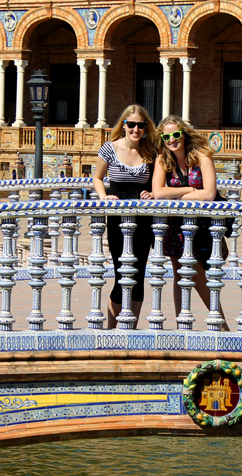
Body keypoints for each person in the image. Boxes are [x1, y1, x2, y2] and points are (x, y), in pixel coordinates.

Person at [152, 114, 228, 321]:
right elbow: (158, 192)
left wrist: (174, 193)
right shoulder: (162, 159)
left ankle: (220, 321)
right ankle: (181, 323)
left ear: (184, 134)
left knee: (197, 273)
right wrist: (191, 189)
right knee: (178, 275)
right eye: (166, 137)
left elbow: (210, 194)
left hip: (199, 226)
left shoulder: (202, 156)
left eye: (176, 135)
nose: (171, 140)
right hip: (175, 227)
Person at [92, 104, 159, 329]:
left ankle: (131, 327)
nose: (136, 129)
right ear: (124, 125)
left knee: (138, 273)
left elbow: (157, 184)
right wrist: (104, 197)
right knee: (121, 272)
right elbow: (98, 178)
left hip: (143, 220)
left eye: (141, 125)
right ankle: (112, 328)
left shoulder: (151, 152)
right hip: (118, 219)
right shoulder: (109, 148)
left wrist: (152, 193)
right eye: (131, 124)